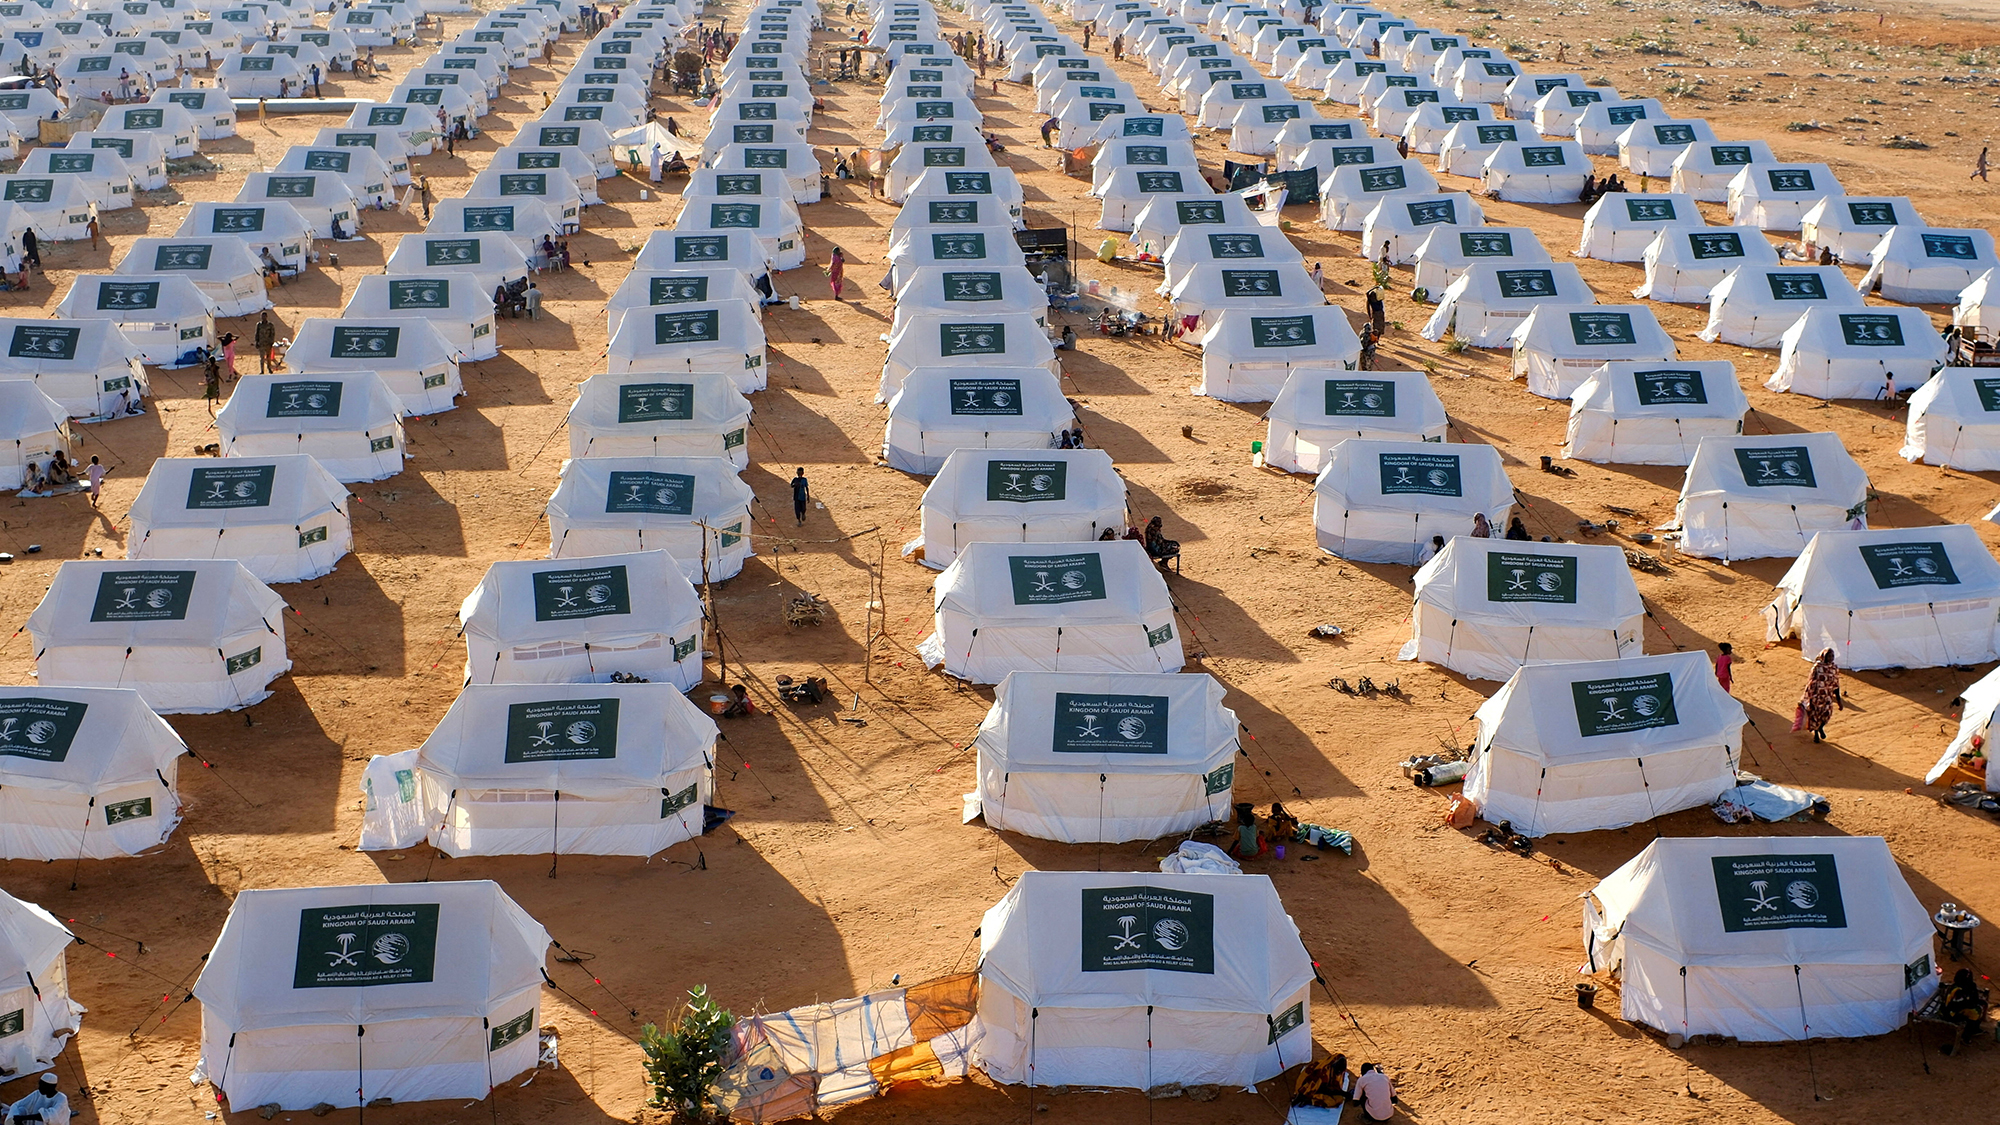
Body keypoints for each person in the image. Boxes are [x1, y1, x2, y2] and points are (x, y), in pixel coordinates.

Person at [1796, 648, 1843, 742]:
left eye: (1832, 656)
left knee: (1826, 714)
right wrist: (1807, 696)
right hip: (1816, 696)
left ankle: (1820, 727)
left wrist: (1839, 700)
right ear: (1823, 656)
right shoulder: (1817, 667)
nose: (1831, 658)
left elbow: (1836, 684)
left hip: (1827, 696)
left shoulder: (1834, 668)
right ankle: (1816, 734)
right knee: (1815, 715)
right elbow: (1810, 682)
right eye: (1829, 656)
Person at [1941, 968, 1985, 1051]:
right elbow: (1955, 1005)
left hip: (1961, 1008)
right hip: (1951, 1013)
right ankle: (1966, 1036)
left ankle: (1974, 1028)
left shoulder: (1970, 986)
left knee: (1977, 1009)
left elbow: (1973, 998)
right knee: (1974, 1013)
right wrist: (1971, 1003)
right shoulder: (1957, 990)